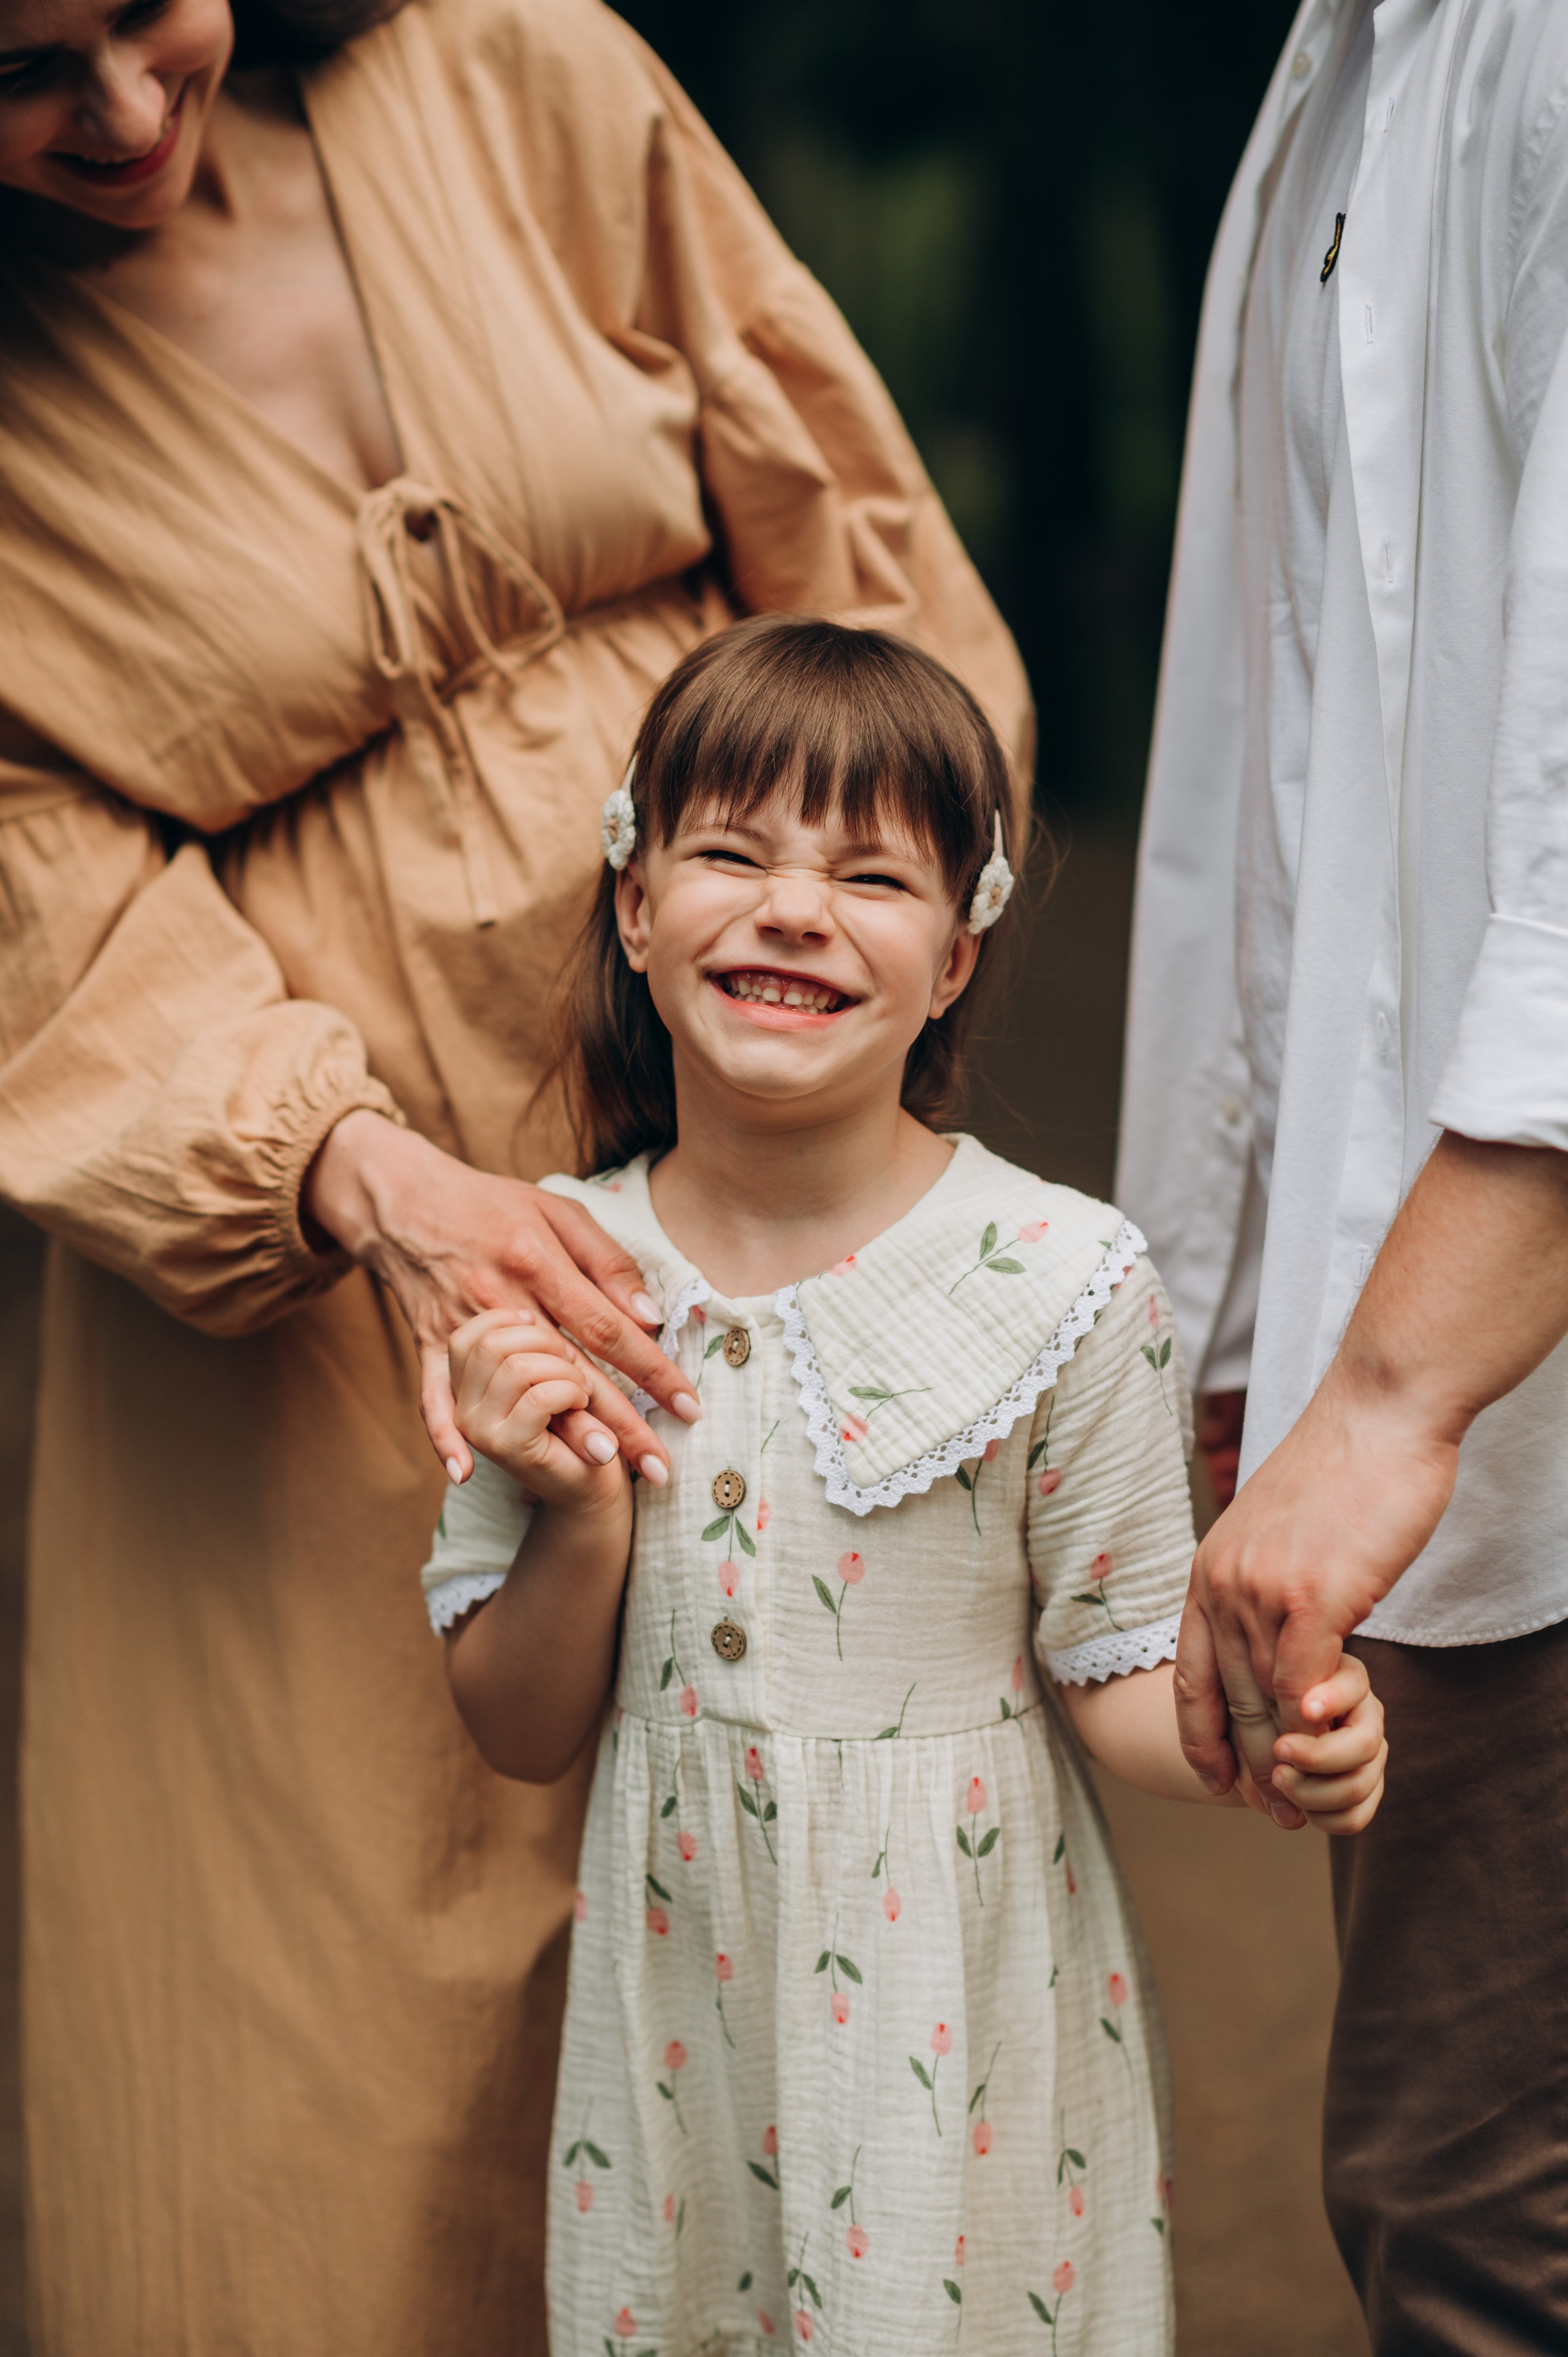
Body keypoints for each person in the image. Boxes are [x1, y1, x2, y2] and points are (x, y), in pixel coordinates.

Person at [0, 0, 1031, 2346]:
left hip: (741, 1122)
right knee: (354, 2040)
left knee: (812, 1948)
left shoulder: (518, 64)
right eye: (13, 74)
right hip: (296, 1262)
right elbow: (25, 907)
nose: (124, 113)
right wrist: (363, 1179)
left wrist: (858, 1004)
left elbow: (840, 512)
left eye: (145, 18)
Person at [423, 616, 1387, 2357]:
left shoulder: (1061, 1277)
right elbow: (516, 1725)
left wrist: (1267, 1726)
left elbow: (1116, 1682)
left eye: (870, 875)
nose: (794, 908)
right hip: (679, 2018)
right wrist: (569, 1504)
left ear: (958, 952)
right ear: (636, 908)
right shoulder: (558, 1273)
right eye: (730, 852)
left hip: (958, 2018)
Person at [1118, 0, 1568, 2341]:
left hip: (1510, 1386)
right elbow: (1282, 765)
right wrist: (1239, 1321)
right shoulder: (1348, 69)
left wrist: (1389, 1393)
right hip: (1403, 1347)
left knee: (1473, 2212)